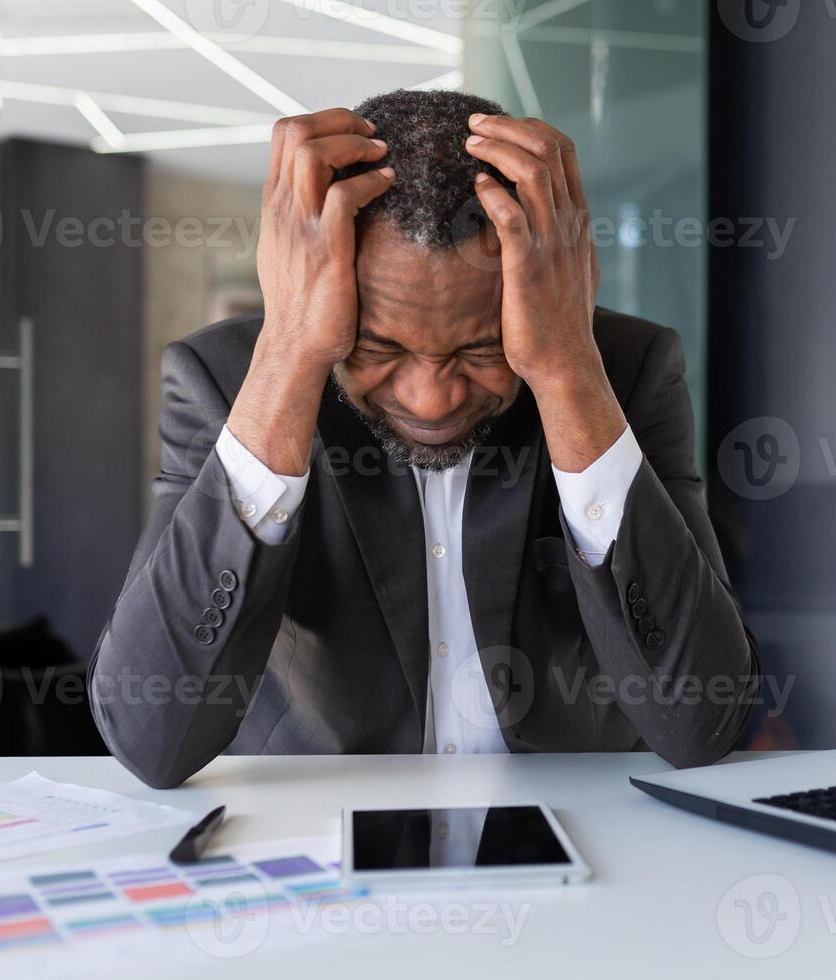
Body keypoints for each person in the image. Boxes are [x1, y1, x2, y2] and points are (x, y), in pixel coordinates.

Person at [90, 89, 759, 789]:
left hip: (573, 839)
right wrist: (289, 356)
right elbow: (150, 738)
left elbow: (700, 724)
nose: (430, 399)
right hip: (320, 836)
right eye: (379, 347)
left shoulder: (621, 371)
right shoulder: (228, 383)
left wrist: (566, 371)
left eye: (480, 350)